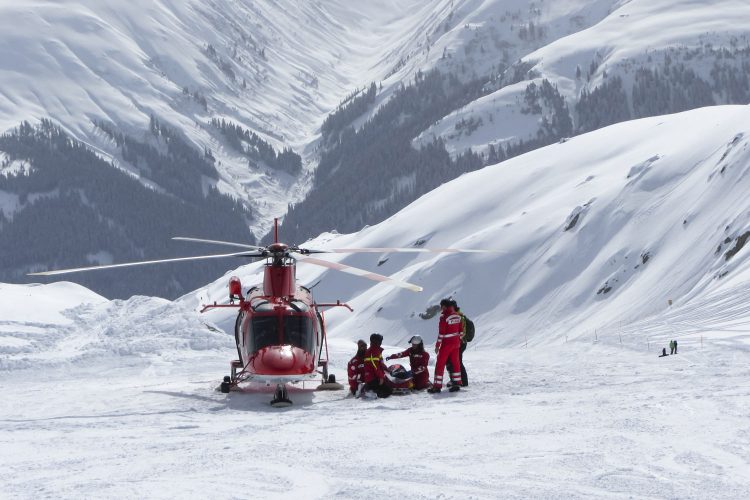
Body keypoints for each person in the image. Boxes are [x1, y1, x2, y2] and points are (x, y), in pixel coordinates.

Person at [428, 299, 463, 393]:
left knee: (440, 364)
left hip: (447, 344)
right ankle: (456, 383)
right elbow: (461, 331)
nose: (441, 307)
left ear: (444, 306)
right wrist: (458, 340)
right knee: (456, 363)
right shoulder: (458, 316)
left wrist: (437, 346)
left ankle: (437, 386)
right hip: (456, 343)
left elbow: (441, 334)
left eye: (441, 306)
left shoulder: (444, 317)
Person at [446, 300, 468, 387]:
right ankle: (456, 380)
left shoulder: (457, 316)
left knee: (456, 361)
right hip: (458, 342)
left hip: (459, 343)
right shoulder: (457, 315)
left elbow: (460, 331)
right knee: (454, 361)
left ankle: (461, 381)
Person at [362, 333, 392, 398]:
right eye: (380, 341)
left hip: (371, 377)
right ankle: (372, 393)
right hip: (373, 377)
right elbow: (376, 366)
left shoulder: (374, 350)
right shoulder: (374, 351)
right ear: (377, 341)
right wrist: (381, 377)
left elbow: (380, 363)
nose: (381, 342)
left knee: (387, 383)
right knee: (388, 391)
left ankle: (370, 388)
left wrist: (387, 370)